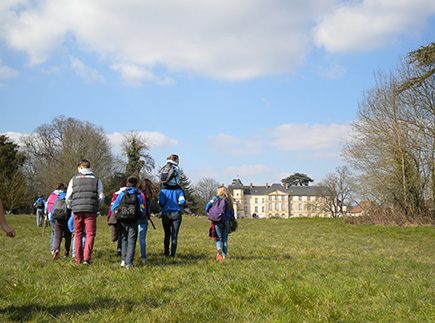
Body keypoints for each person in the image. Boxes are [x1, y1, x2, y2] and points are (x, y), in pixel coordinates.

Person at [66, 159, 104, 266]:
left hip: (77, 210)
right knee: (90, 234)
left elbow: (68, 197)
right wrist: (96, 206)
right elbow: (101, 196)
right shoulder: (97, 180)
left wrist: (72, 206)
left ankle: (78, 259)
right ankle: (87, 258)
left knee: (77, 234)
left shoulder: (73, 179)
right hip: (91, 210)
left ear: (81, 168)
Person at [111, 176, 145, 269]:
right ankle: (129, 263)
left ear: (127, 184)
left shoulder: (122, 194)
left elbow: (113, 206)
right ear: (137, 185)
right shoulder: (138, 195)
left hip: (122, 219)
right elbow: (142, 209)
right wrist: (139, 215)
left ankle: (123, 260)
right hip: (133, 220)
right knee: (132, 241)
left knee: (123, 239)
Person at [159, 156, 186, 257]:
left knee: (167, 234)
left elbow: (161, 203)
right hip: (176, 213)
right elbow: (182, 202)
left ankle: (166, 253)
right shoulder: (179, 191)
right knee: (174, 235)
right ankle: (173, 254)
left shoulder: (163, 191)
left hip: (166, 213)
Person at [205, 186, 234, 261]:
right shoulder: (229, 200)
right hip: (226, 221)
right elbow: (232, 212)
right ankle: (224, 256)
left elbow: (208, 205)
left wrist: (208, 212)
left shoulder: (215, 199)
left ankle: (219, 249)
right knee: (225, 239)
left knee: (218, 238)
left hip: (217, 220)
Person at [138, 178, 159, 262]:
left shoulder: (138, 194)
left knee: (131, 238)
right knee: (142, 238)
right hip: (144, 217)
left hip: (135, 217)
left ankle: (128, 256)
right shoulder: (149, 196)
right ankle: (143, 257)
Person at [107, 179, 127, 256]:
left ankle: (119, 248)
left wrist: (110, 216)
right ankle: (124, 248)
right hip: (126, 214)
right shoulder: (129, 193)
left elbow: (112, 206)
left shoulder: (116, 194)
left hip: (116, 214)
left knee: (118, 231)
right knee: (124, 232)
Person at [45, 183, 66, 254]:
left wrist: (46, 213)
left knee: (54, 232)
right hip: (61, 215)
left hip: (51, 215)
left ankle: (52, 248)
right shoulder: (63, 195)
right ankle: (57, 248)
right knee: (59, 233)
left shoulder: (51, 195)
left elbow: (46, 205)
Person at [51, 190, 72, 260]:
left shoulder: (57, 199)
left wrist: (52, 220)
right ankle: (66, 253)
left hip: (57, 220)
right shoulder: (69, 199)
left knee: (57, 237)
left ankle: (56, 249)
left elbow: (52, 210)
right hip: (66, 220)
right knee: (67, 237)